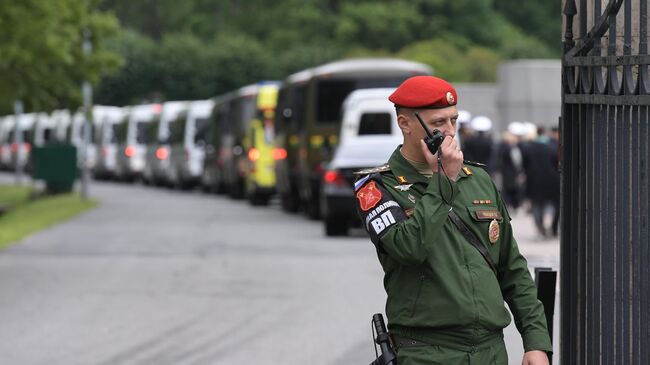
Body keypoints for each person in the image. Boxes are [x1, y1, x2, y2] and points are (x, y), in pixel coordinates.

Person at [354, 76, 552, 365]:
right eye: (438, 123)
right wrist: (443, 180)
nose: (449, 132)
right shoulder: (379, 187)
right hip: (428, 352)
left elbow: (512, 267)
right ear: (405, 124)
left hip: (490, 351)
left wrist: (535, 341)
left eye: (453, 121)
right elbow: (409, 247)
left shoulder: (478, 180)